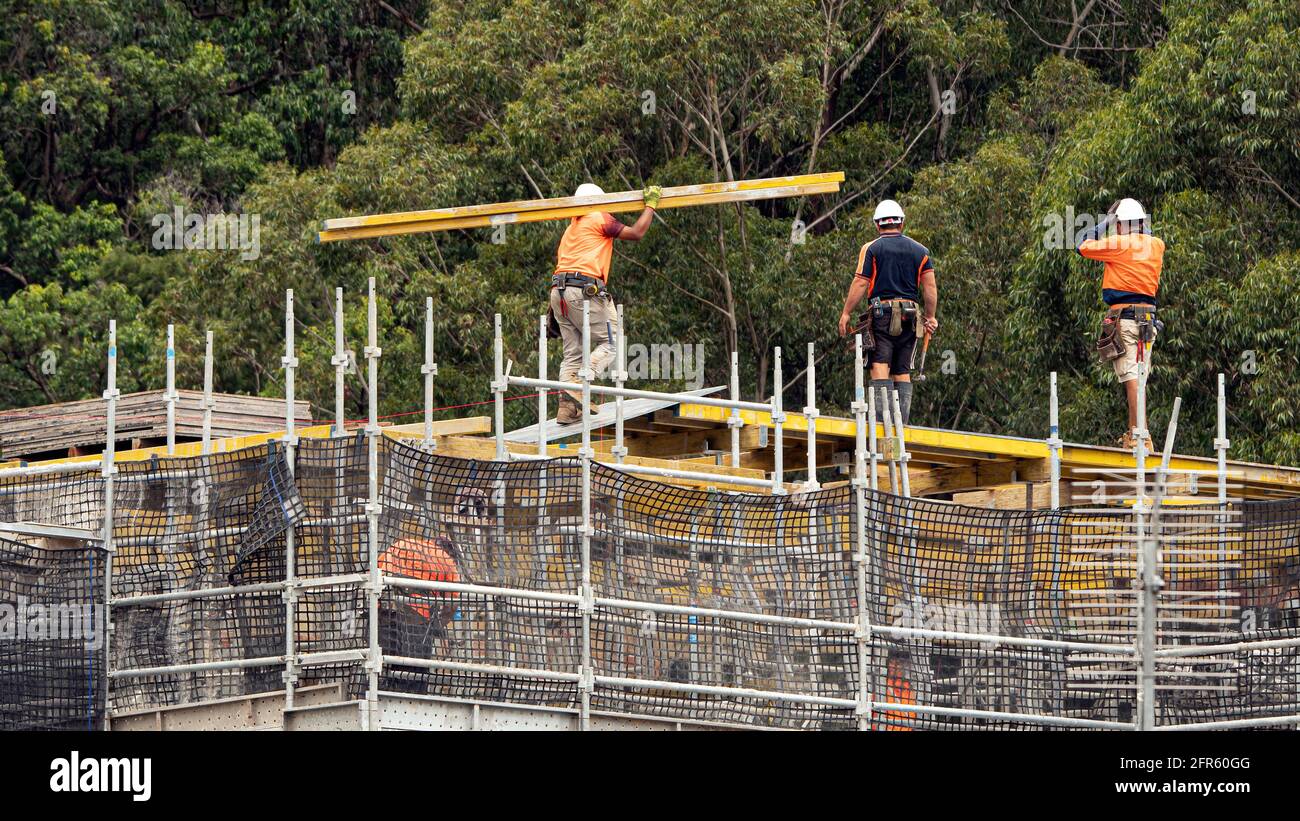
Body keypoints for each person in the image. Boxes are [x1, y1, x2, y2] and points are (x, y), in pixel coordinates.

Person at [550, 182, 662, 424]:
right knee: (613, 342)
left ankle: (567, 408)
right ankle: (582, 380)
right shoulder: (599, 217)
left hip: (558, 293)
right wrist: (650, 206)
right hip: (583, 290)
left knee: (572, 353)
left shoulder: (571, 227)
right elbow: (636, 233)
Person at [838, 199, 938, 425]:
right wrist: (931, 317)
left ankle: (882, 425)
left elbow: (861, 282)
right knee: (902, 369)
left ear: (877, 224)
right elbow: (930, 287)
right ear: (901, 223)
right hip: (911, 316)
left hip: (882, 314)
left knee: (880, 364)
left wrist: (846, 313)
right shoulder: (921, 251)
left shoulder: (872, 248)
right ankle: (900, 424)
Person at [1077, 198, 1165, 450]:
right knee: (1139, 376)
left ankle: (1140, 436)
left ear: (1119, 225)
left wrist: (1106, 221)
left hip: (1126, 320)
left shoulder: (1119, 243)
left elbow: (1082, 245)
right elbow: (1145, 234)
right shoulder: (1157, 245)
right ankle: (1135, 433)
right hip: (1147, 320)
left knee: (1131, 376)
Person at [377, 535, 461, 693]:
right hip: (415, 626)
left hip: (382, 618)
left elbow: (375, 572)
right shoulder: (445, 559)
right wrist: (437, 625)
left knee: (379, 666)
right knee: (414, 677)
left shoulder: (401, 544)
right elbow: (452, 603)